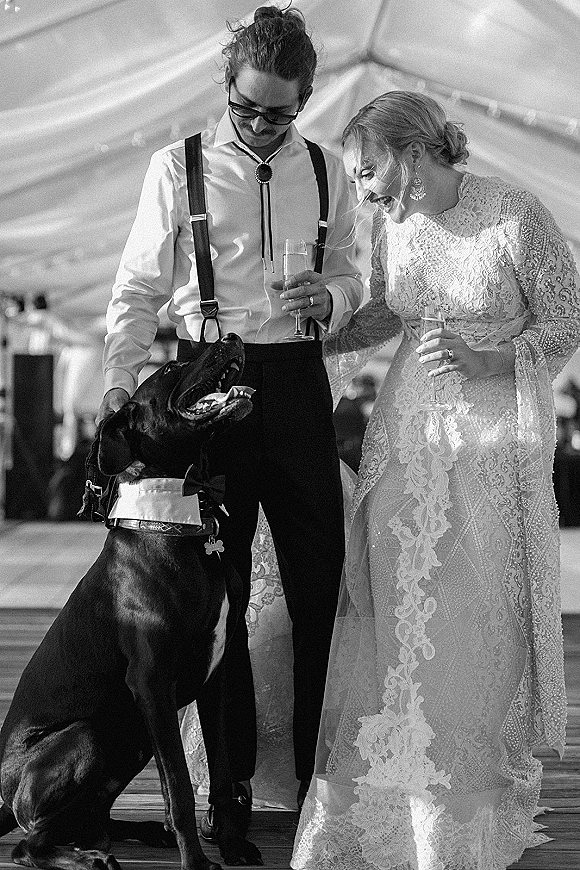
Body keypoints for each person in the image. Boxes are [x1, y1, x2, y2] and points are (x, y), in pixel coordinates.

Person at [292, 90, 580, 870]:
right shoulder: (394, 225)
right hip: (403, 436)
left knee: (469, 619)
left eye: (367, 170)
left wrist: (497, 358)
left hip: (491, 444)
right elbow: (390, 309)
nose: (363, 189)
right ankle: (393, 796)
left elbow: (568, 315)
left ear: (412, 152)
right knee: (395, 609)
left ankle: (458, 805)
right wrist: (323, 324)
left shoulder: (513, 214)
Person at [96, 4, 362, 823]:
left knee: (321, 587)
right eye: (246, 107)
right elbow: (139, 292)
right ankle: (232, 788)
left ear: (307, 98)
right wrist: (118, 379)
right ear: (227, 85)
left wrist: (334, 297)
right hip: (205, 387)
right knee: (225, 591)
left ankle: (320, 779)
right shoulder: (174, 169)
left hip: (295, 380)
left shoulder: (329, 171)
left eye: (280, 112)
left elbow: (354, 276)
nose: (260, 124)